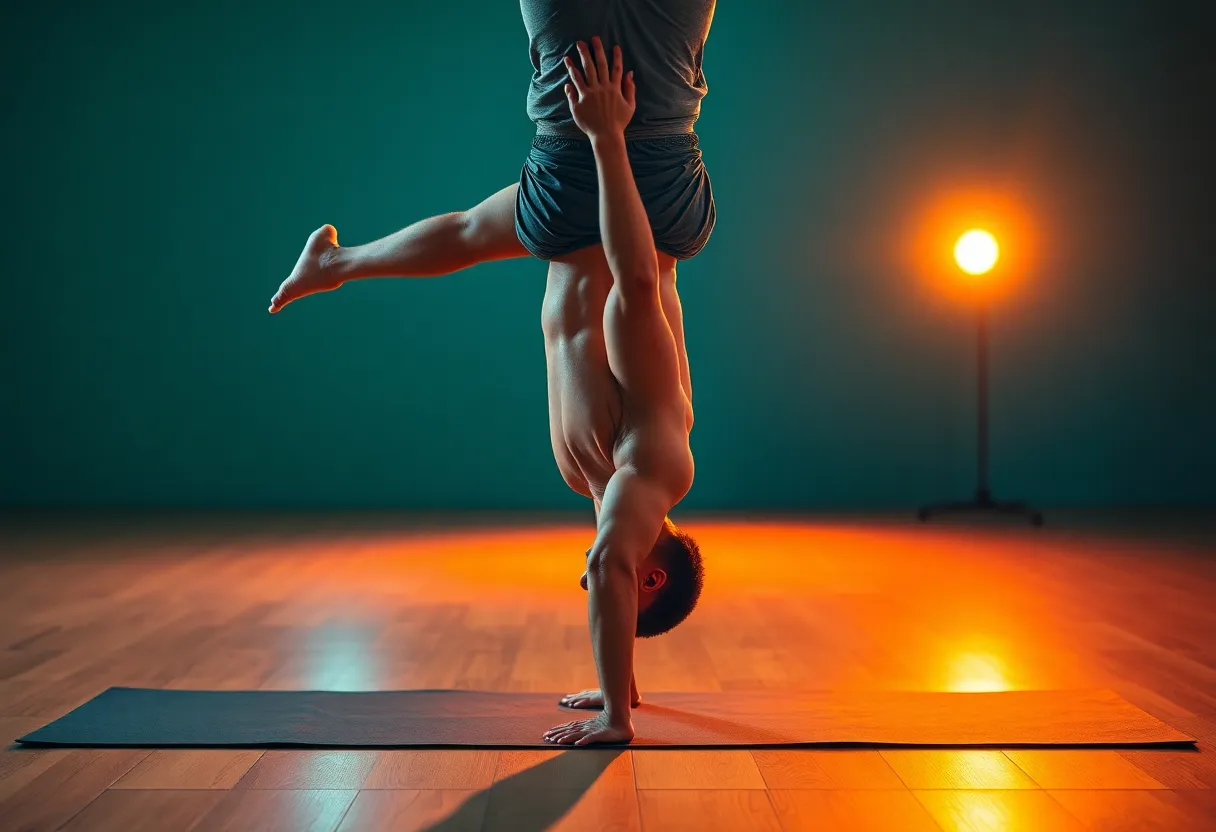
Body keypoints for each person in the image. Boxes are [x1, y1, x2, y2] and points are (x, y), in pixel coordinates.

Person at [271, 16, 714, 744]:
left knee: (478, 232)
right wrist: (614, 719)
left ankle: (334, 266)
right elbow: (635, 282)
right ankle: (338, 267)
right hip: (632, 165)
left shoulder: (599, 479)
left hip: (582, 198)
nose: (592, 579)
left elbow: (613, 558)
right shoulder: (655, 461)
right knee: (499, 229)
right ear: (651, 577)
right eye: (621, 592)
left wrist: (622, 688)